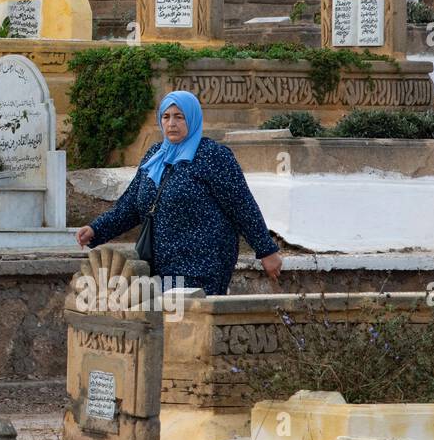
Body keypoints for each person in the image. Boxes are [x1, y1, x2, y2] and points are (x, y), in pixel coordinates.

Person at [74, 90, 282, 296]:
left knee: (191, 325)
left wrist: (266, 250)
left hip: (202, 266)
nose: (171, 123)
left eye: (179, 117)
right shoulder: (155, 156)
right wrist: (96, 229)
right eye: (166, 117)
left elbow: (242, 205)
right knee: (166, 326)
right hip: (158, 266)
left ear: (192, 118)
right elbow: (130, 205)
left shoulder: (213, 156)